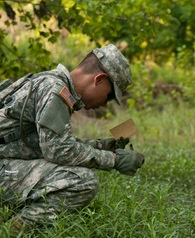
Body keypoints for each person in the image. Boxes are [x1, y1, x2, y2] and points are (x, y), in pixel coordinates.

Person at [0, 44, 145, 231]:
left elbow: (42, 144)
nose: (104, 104)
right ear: (99, 79)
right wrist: (114, 160)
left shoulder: (49, 82)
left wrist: (99, 146)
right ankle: (12, 230)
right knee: (83, 181)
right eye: (108, 96)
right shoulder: (55, 91)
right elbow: (58, 151)